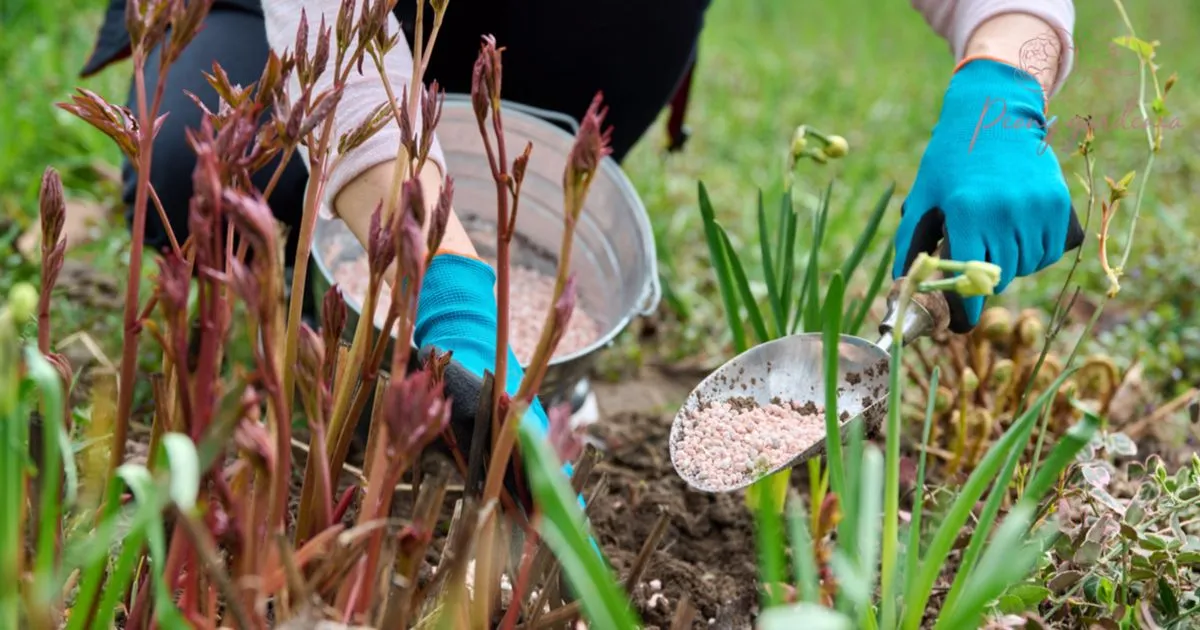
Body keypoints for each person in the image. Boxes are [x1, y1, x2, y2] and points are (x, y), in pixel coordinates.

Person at [82, 0, 1078, 447]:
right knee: (193, 157)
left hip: (552, 31)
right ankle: (309, 319)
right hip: (286, 23)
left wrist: (1002, 89)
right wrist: (453, 289)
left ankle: (537, 320)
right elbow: (321, 21)